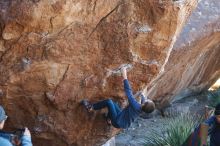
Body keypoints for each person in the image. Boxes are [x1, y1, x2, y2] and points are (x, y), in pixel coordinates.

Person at [81, 66, 155, 129]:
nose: (147, 99)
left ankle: (91, 107)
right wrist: (142, 95)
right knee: (115, 104)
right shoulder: (142, 109)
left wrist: (124, 75)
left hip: (117, 122)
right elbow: (144, 101)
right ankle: (108, 119)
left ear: (143, 104)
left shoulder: (135, 106)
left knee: (109, 102)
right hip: (122, 120)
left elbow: (128, 92)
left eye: (148, 100)